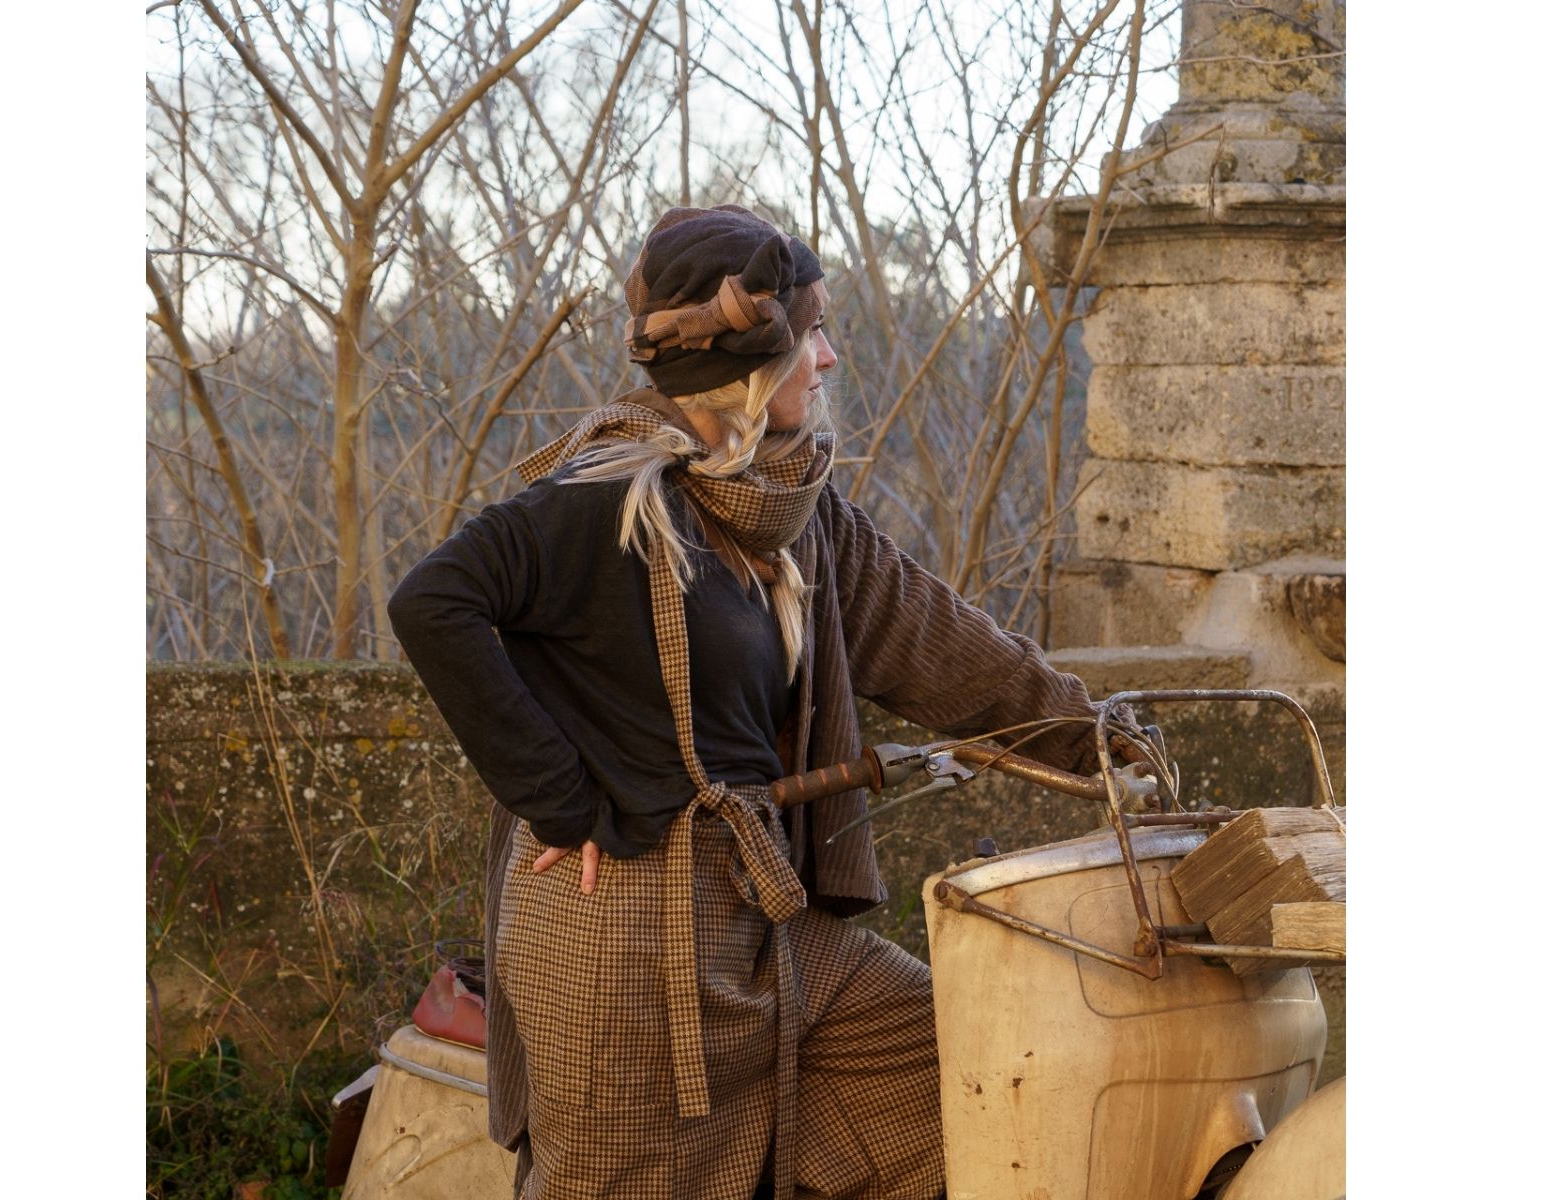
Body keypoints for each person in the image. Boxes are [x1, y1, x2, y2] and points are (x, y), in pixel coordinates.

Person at [388, 204, 1134, 1200]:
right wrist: (557, 798)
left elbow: (948, 647)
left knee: (979, 1074)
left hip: (762, 923)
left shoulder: (796, 518)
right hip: (618, 939)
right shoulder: (608, 499)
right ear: (747, 359)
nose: (828, 359)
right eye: (811, 333)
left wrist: (1103, 744)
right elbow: (432, 602)